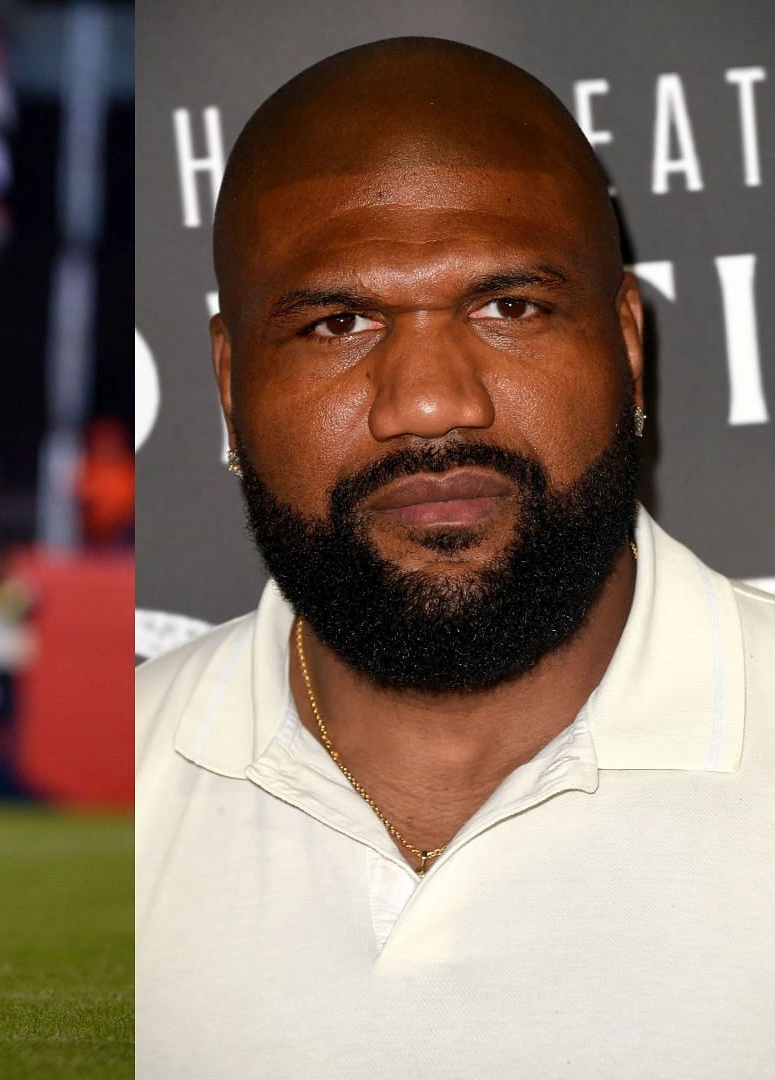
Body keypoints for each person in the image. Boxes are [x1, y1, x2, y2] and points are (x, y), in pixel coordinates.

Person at [135, 37, 775, 1076]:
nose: (431, 401)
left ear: (626, 344)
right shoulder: (126, 785)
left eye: (508, 308)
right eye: (339, 321)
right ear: (227, 382)